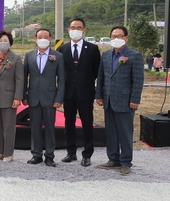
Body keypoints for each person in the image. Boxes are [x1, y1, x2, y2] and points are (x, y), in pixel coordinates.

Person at [95, 25, 144, 176]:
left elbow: (138, 80)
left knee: (125, 132)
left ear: (126, 38)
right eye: (114, 36)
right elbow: (101, 77)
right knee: (111, 132)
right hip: (108, 100)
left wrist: (135, 99)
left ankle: (126, 162)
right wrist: (99, 95)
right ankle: (113, 159)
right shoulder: (106, 55)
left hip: (125, 100)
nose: (116, 39)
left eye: (120, 36)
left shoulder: (134, 56)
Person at [57, 18, 100, 167]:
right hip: (68, 93)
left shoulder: (93, 49)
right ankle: (71, 152)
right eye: (73, 27)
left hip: (85, 93)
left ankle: (87, 154)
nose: (76, 29)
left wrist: (86, 82)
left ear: (84, 30)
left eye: (79, 27)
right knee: (69, 124)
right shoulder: (62, 49)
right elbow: (60, 72)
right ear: (68, 30)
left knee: (87, 124)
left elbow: (96, 70)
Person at [22, 28, 65, 167]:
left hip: (50, 98)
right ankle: (36, 154)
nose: (42, 39)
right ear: (35, 39)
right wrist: (24, 95)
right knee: (34, 127)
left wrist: (59, 99)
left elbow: (62, 80)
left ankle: (50, 156)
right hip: (34, 97)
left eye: (45, 36)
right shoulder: (29, 56)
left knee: (50, 128)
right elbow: (24, 77)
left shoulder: (57, 56)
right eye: (40, 36)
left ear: (50, 39)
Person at [0, 30, 24, 162]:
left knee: (8, 127)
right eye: (0, 41)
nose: (3, 43)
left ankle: (8, 153)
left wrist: (17, 97)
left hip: (9, 97)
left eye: (5, 40)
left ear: (10, 42)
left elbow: (20, 79)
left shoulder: (16, 58)